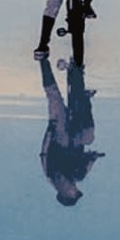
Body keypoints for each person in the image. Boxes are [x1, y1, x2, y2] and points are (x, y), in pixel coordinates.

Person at [39, 56, 103, 205]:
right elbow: (89, 163)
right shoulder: (78, 175)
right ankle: (84, 95)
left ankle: (43, 61)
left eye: (72, 192)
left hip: (59, 136)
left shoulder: (51, 174)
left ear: (63, 193)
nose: (74, 189)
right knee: (88, 137)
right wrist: (94, 157)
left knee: (54, 97)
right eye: (75, 191)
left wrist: (51, 128)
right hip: (75, 142)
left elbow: (44, 152)